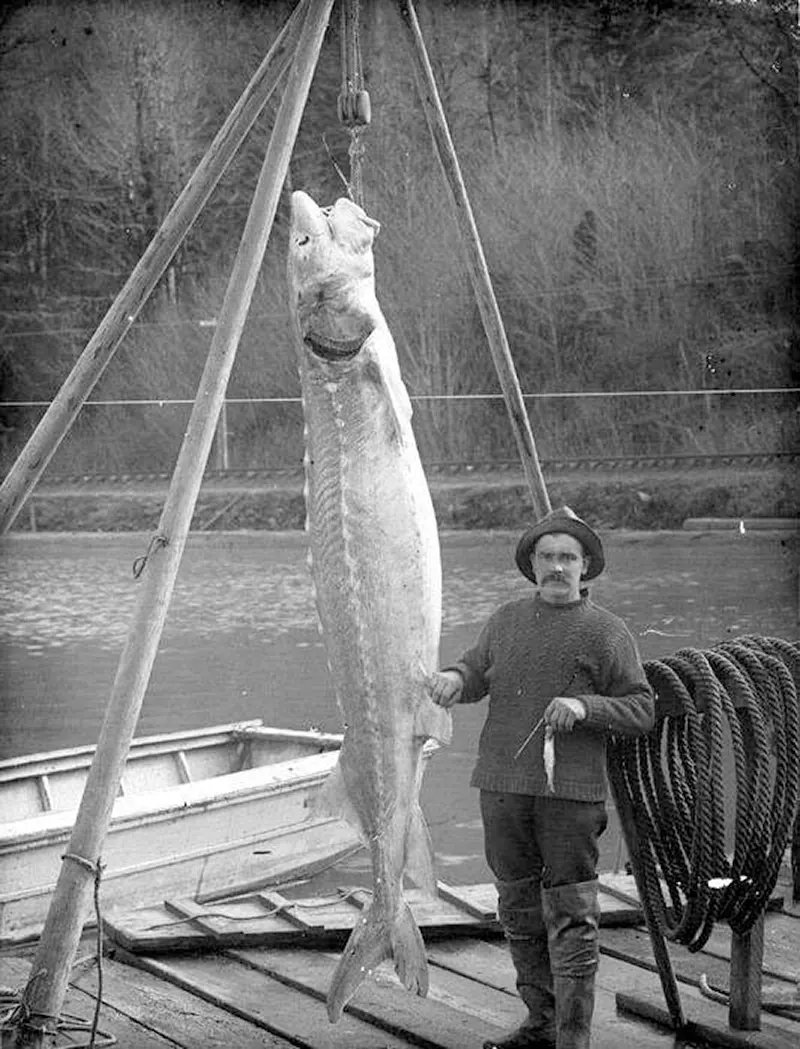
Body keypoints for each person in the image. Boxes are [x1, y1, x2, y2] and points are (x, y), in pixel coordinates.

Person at [426, 506, 655, 1049]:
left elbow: (642, 708)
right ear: (532, 564)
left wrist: (584, 706)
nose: (557, 567)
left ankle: (572, 1038)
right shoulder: (505, 619)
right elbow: (475, 671)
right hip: (502, 788)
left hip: (569, 797)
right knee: (517, 907)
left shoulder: (607, 631)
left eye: (568, 558)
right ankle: (540, 1023)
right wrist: (454, 678)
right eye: (547, 556)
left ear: (585, 566)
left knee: (572, 914)